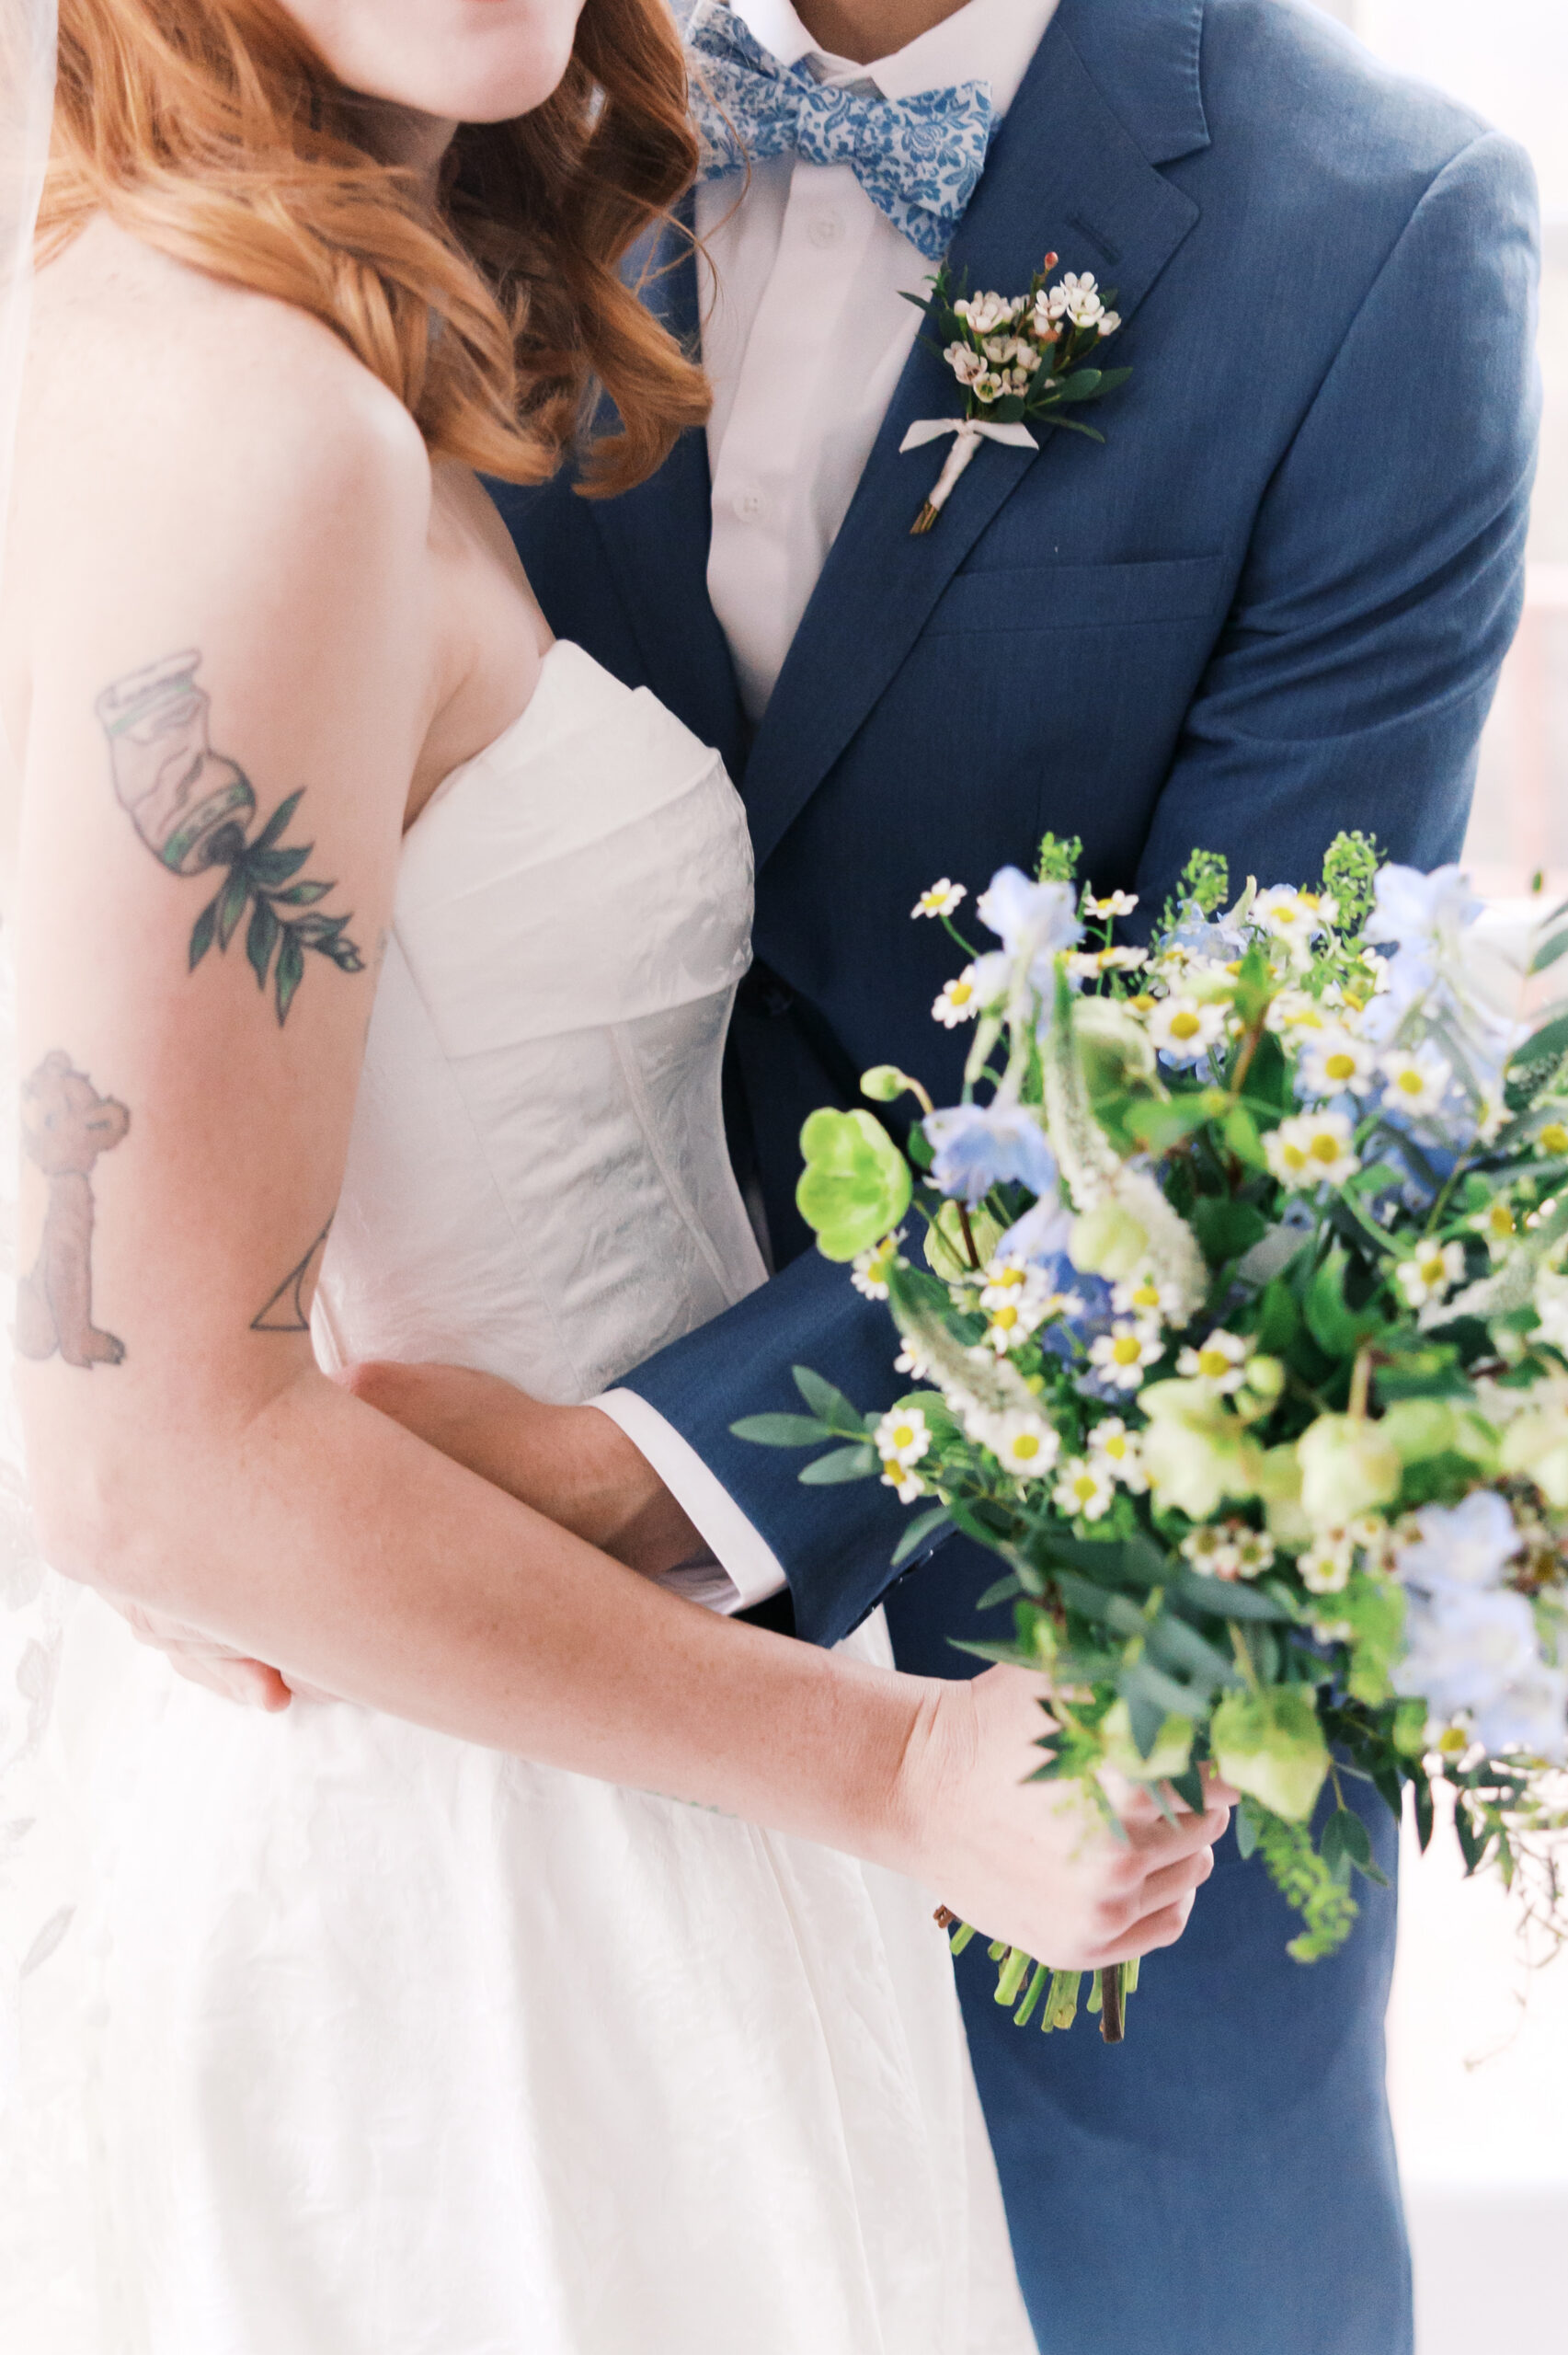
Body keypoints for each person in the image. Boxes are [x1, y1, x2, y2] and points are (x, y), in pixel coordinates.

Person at [0, 0, 1237, 2349]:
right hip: (458, 1898)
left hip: (587, 1789)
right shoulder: (252, 425)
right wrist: (895, 1773)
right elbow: (148, 1456)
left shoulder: (284, 337)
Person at [345, 3, 1540, 2351]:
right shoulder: (469, 93)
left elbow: (1225, 1091)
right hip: (480, 1662)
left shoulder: (1383, 229)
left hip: (1082, 1650)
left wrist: (629, 1473)